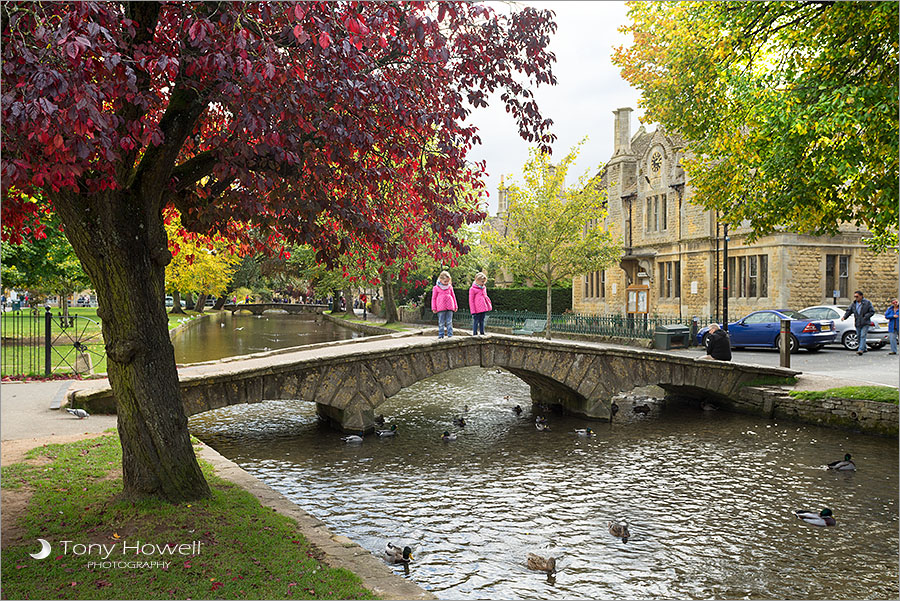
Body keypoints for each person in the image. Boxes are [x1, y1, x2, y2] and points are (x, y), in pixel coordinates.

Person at [842, 290, 875, 355]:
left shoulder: (867, 303)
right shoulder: (854, 304)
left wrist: (865, 317)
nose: (856, 298)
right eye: (855, 297)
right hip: (857, 322)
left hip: (865, 322)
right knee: (859, 336)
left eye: (857, 296)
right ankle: (864, 348)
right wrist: (844, 317)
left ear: (861, 296)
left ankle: (860, 350)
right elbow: (849, 311)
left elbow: (872, 311)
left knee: (863, 335)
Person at [431, 270, 457, 339]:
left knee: (449, 322)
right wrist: (434, 307)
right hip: (440, 307)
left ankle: (450, 335)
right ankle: (441, 335)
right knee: (441, 322)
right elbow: (434, 298)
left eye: (448, 281)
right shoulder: (436, 288)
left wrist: (455, 305)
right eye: (445, 281)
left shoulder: (450, 287)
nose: (446, 283)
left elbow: (453, 296)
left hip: (450, 307)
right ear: (440, 280)